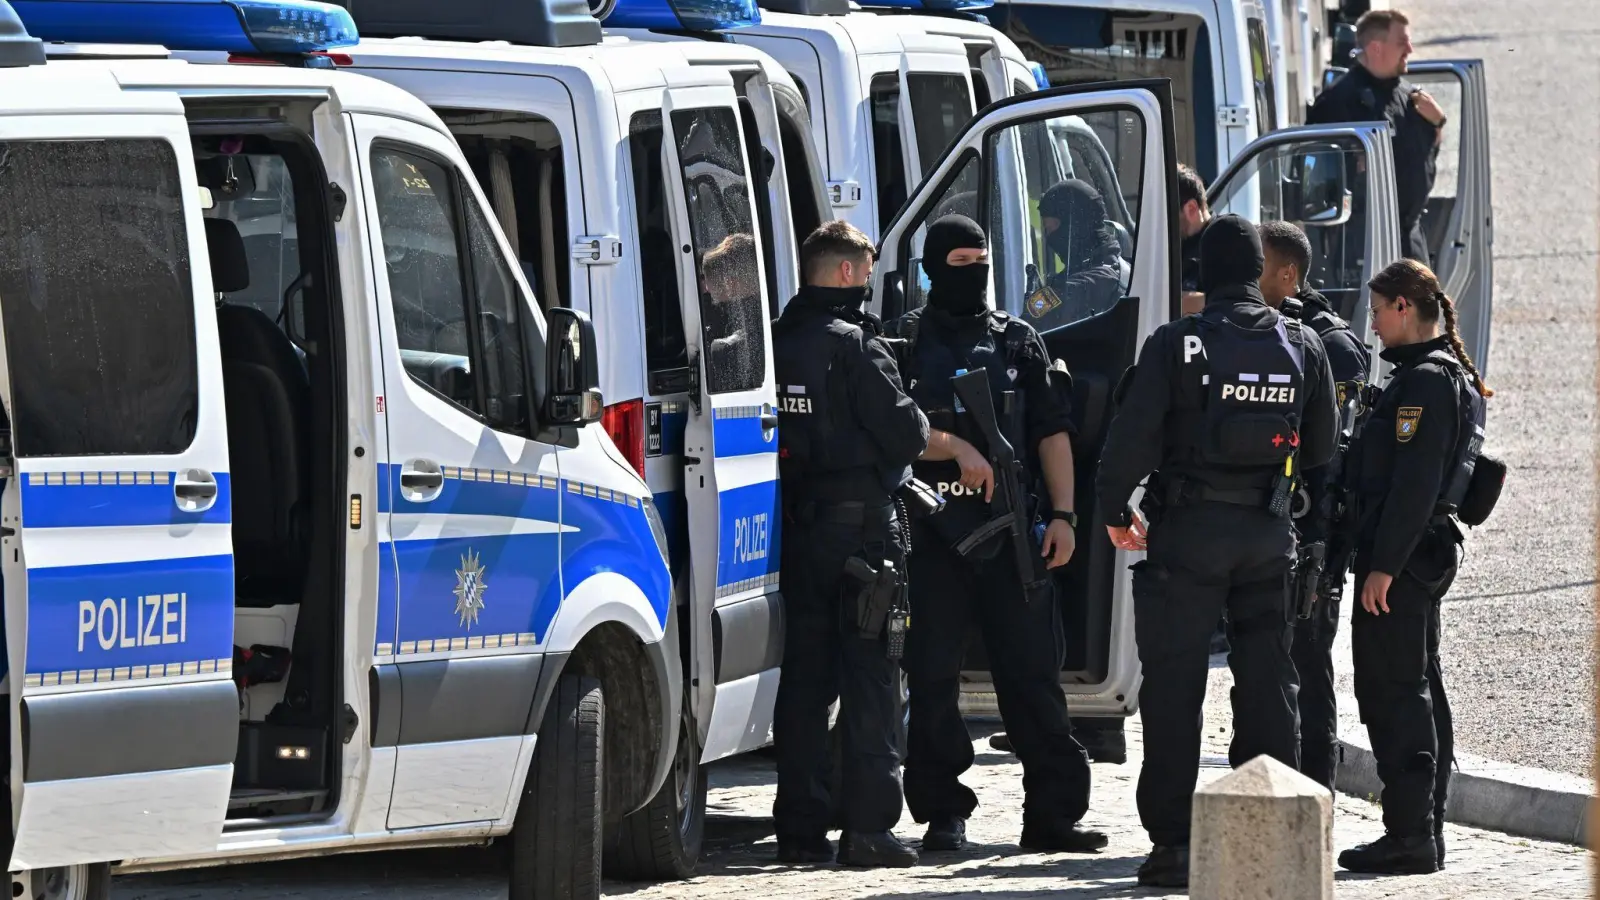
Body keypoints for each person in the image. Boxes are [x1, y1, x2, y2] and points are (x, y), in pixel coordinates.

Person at [1095, 214, 1339, 887]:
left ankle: (1176, 843)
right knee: (1269, 684)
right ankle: (1269, 822)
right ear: (1261, 270)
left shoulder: (1178, 344)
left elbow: (1130, 440)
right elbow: (1321, 454)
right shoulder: (1303, 343)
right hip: (1267, 539)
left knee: (1174, 690)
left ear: (1201, 270)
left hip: (1188, 539)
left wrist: (1117, 511)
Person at [883, 215, 1105, 855]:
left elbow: (1051, 432)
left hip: (1012, 539)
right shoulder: (899, 345)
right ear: (930, 269)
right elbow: (890, 430)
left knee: (1033, 677)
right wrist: (952, 450)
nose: (974, 274)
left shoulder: (1018, 343)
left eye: (982, 260)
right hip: (931, 538)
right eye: (959, 263)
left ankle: (1053, 817)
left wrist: (1063, 515)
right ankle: (942, 812)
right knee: (931, 681)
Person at [770, 220, 929, 868]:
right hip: (863, 532)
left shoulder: (775, 343)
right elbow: (906, 436)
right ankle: (867, 828)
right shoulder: (857, 346)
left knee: (804, 682)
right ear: (844, 273)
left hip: (799, 529)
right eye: (864, 270)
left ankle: (799, 830)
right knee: (871, 679)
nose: (868, 282)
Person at [1337, 259, 1491, 875]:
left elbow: (1414, 485)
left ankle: (1410, 836)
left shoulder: (1427, 381)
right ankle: (1423, 827)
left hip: (1404, 560)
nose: (1372, 326)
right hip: (1419, 556)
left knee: (1393, 692)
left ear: (1404, 307)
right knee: (1417, 688)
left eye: (1377, 311)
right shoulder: (1441, 375)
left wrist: (1383, 567)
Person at [1259, 221, 1372, 794]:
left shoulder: (1328, 343)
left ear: (1287, 274)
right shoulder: (1281, 331)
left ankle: (1316, 789)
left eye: (1258, 268)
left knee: (1307, 664)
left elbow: (1332, 457)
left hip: (1315, 536)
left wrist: (1321, 550)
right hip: (1280, 529)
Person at [1308, 9, 1446, 265]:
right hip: (1365, 247)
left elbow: (1424, 158)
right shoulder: (1338, 102)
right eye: (1401, 42)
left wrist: (1438, 123)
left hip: (1411, 242)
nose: (1410, 50)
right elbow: (1319, 182)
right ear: (1375, 48)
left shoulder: (1410, 98)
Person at [1024, 179, 1126, 329]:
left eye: (1050, 228)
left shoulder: (1085, 286)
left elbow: (1028, 326)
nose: (1048, 236)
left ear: (1076, 227)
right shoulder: (1114, 267)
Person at [1177, 163, 1210, 315]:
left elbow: (1239, 302)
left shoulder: (1226, 242)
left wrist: (1183, 302)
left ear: (1191, 208)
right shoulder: (1176, 244)